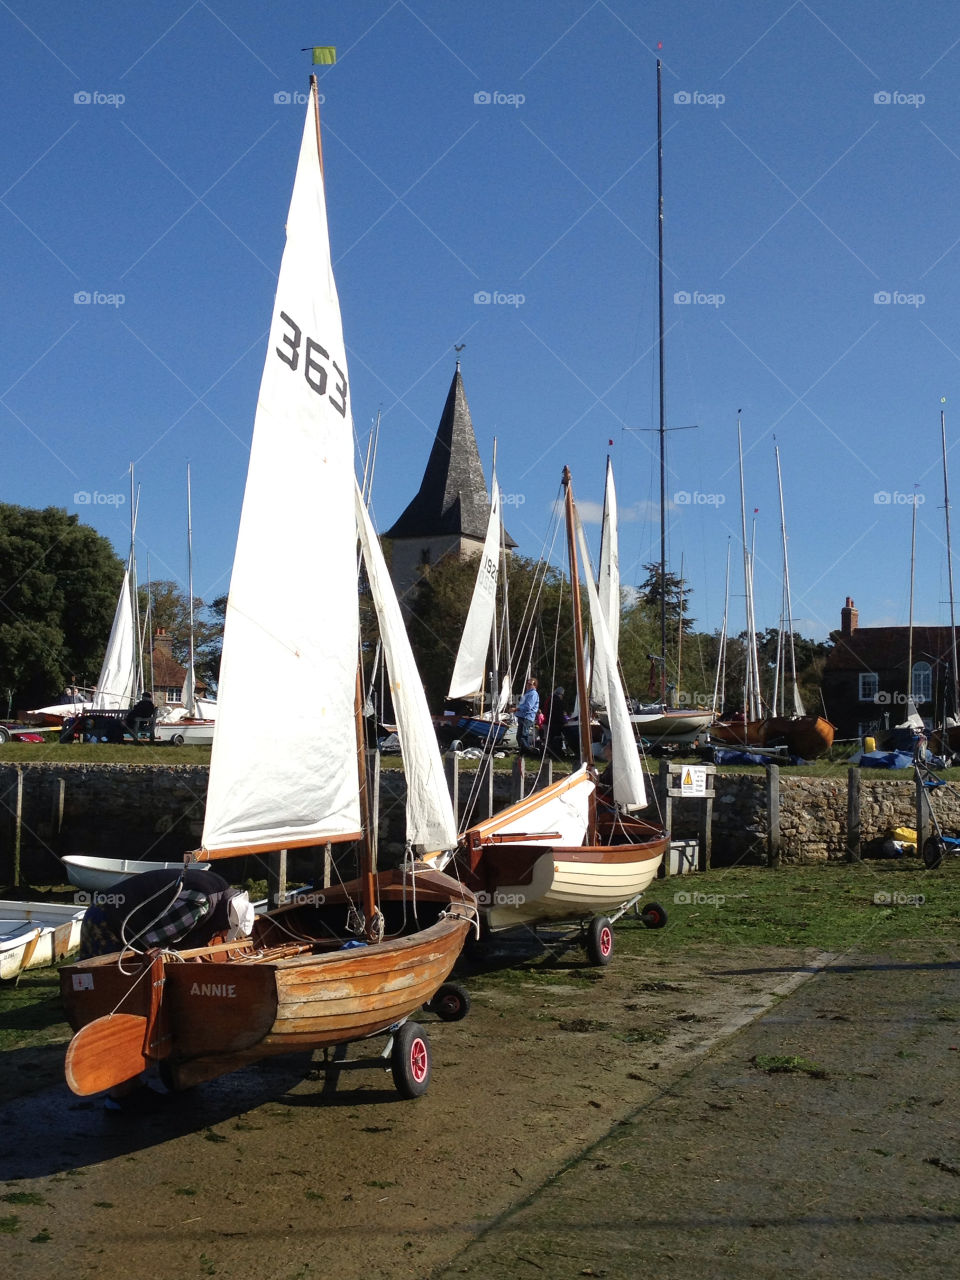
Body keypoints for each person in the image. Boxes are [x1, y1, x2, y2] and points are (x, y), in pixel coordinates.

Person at [515, 677, 540, 755]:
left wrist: (516, 709)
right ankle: (523, 753)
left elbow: (528, 706)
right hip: (523, 717)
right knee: (521, 736)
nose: (528, 685)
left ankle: (530, 752)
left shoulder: (533, 694)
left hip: (526, 717)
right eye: (527, 683)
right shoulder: (528, 693)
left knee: (521, 736)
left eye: (530, 684)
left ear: (534, 685)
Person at [546, 686, 568, 758]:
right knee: (557, 737)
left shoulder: (551, 699)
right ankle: (557, 752)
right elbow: (559, 713)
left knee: (552, 738)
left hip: (551, 722)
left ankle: (551, 752)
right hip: (557, 723)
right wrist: (564, 721)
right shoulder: (558, 701)